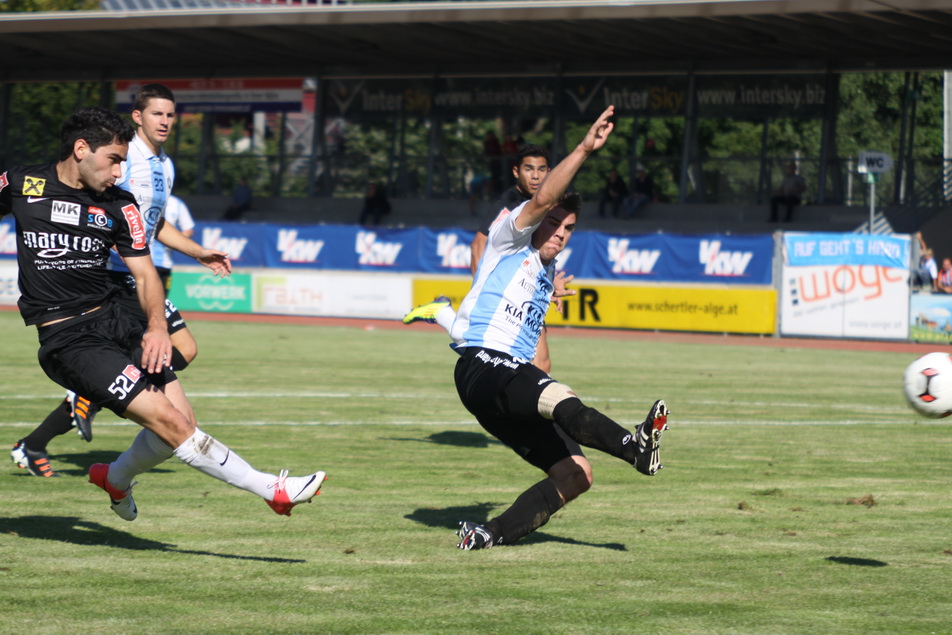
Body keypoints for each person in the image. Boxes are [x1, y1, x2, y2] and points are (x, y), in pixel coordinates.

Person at [2, 106, 325, 518]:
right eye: (113, 160)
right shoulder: (20, 183)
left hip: (117, 319)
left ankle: (114, 478)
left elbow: (145, 273)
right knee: (172, 425)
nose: (119, 172)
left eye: (123, 161)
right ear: (81, 149)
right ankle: (272, 489)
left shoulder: (120, 204)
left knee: (181, 421)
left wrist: (156, 328)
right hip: (70, 339)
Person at [448, 106, 671, 551]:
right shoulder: (508, 238)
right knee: (558, 395)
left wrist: (546, 293)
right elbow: (543, 199)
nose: (560, 232)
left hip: (500, 390)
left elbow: (537, 351)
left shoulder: (545, 272)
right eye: (552, 222)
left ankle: (489, 534)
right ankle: (634, 447)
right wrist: (585, 148)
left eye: (569, 227)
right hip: (482, 367)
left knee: (576, 474)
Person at [11, 84, 204, 475]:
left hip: (151, 269)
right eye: (157, 113)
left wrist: (196, 251)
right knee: (169, 351)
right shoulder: (125, 159)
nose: (165, 121)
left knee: (183, 348)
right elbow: (99, 206)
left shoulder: (165, 165)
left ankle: (68, 413)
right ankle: (89, 397)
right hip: (119, 275)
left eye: (170, 114)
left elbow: (151, 221)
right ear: (138, 117)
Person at [403, 144, 564, 374]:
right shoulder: (510, 204)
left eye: (541, 169)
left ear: (549, 172)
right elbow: (478, 245)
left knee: (538, 361)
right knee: (530, 360)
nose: (536, 176)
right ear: (516, 172)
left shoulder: (545, 203)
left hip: (526, 292)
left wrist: (549, 284)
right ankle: (442, 313)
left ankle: (442, 313)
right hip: (508, 295)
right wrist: (485, 293)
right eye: (529, 169)